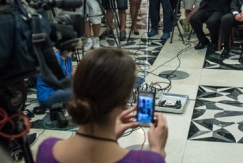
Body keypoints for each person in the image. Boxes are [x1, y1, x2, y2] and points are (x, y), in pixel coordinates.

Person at [35, 48, 168, 163]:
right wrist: (158, 150)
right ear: (124, 102)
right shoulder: (149, 160)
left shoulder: (46, 149)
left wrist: (110, 135)